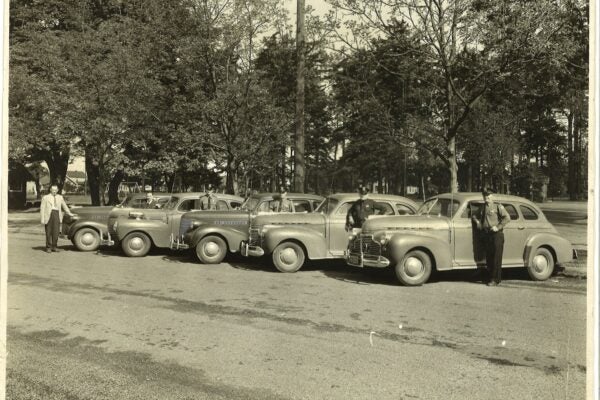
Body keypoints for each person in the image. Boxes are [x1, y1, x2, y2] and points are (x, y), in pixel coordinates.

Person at [471, 188, 511, 286]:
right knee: (489, 257)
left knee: (496, 258)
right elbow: (474, 216)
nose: (486, 198)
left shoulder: (498, 206)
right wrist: (478, 222)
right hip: (487, 234)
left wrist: (498, 227)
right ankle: (490, 278)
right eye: (485, 196)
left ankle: (495, 279)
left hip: (496, 234)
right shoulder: (482, 207)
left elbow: (507, 218)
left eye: (488, 196)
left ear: (492, 196)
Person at [40, 184, 75, 253]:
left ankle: (54, 246)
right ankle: (48, 247)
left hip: (57, 215)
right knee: (48, 232)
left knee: (56, 232)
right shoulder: (45, 198)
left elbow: (64, 206)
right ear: (50, 190)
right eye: (53, 190)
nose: (54, 191)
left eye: (56, 190)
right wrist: (42, 219)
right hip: (48, 215)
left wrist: (69, 213)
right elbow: (42, 208)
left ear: (58, 190)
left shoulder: (60, 197)